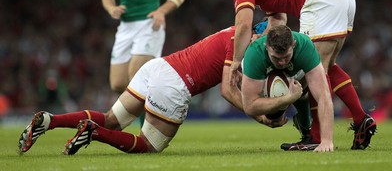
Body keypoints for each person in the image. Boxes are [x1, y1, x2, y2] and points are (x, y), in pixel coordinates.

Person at [18, 26, 296, 155]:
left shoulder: (232, 33)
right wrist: (258, 115)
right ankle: (93, 132)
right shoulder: (241, 43)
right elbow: (227, 90)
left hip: (157, 67)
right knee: (148, 146)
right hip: (174, 83)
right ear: (258, 35)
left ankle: (51, 120)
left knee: (113, 118)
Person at [203, 0, 376, 150]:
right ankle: (359, 118)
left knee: (313, 70)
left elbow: (242, 24)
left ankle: (317, 137)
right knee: (325, 67)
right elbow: (278, 19)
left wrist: (236, 63)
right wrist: (263, 37)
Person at [242, 25, 334, 152]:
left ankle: (306, 129)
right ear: (266, 47)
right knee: (274, 119)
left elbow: (323, 95)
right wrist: (287, 98)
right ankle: (300, 114)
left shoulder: (305, 46)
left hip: (297, 76)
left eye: (286, 56)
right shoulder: (254, 54)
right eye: (276, 58)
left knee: (316, 84)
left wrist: (327, 140)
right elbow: (249, 107)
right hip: (264, 81)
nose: (282, 62)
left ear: (294, 45)